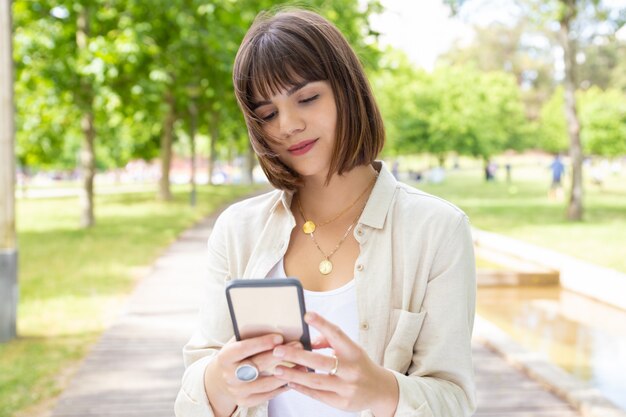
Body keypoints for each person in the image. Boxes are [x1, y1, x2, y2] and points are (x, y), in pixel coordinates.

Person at [175, 8, 476, 417]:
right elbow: (191, 397)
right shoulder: (237, 230)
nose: (288, 125)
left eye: (307, 98)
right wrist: (218, 381)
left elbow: (454, 400)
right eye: (267, 114)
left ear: (348, 92)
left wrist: (381, 391)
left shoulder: (437, 229)